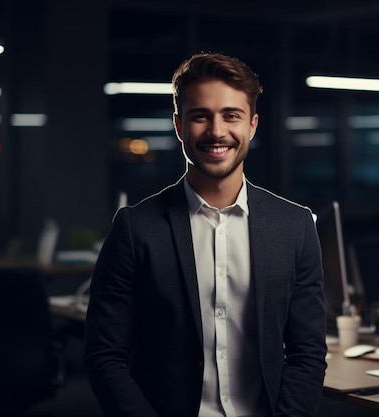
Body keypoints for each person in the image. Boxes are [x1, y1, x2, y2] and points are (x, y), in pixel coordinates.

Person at [84, 52, 327, 417]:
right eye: (201, 116)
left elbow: (307, 353)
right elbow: (105, 358)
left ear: (253, 126)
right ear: (180, 126)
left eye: (232, 115)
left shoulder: (295, 227)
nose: (217, 131)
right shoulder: (136, 228)